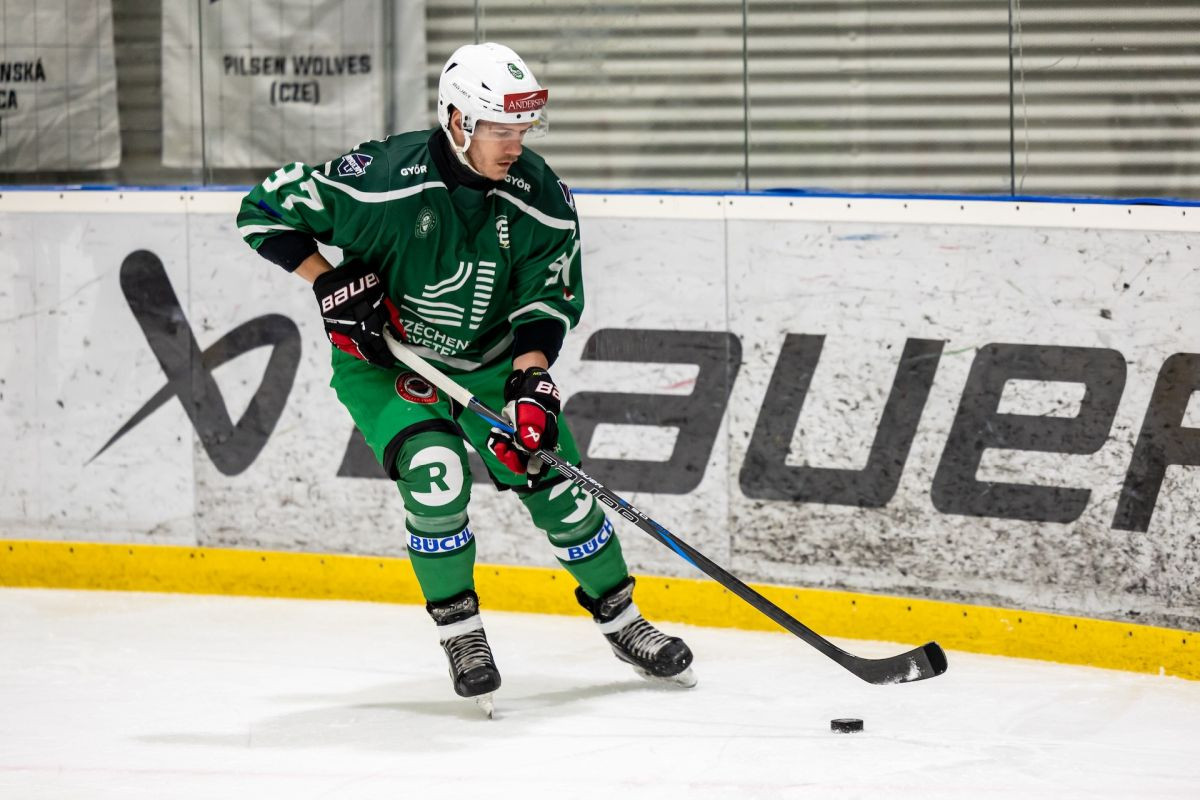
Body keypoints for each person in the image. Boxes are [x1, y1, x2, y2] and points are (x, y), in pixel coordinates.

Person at [237, 42, 695, 710]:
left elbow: (547, 298)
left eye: (522, 129)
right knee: (436, 475)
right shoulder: (380, 178)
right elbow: (261, 210)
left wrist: (531, 381)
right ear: (457, 120)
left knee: (559, 489)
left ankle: (624, 623)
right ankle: (462, 634)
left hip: (491, 365)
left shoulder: (539, 195)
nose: (515, 144)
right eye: (500, 129)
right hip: (390, 364)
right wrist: (328, 280)